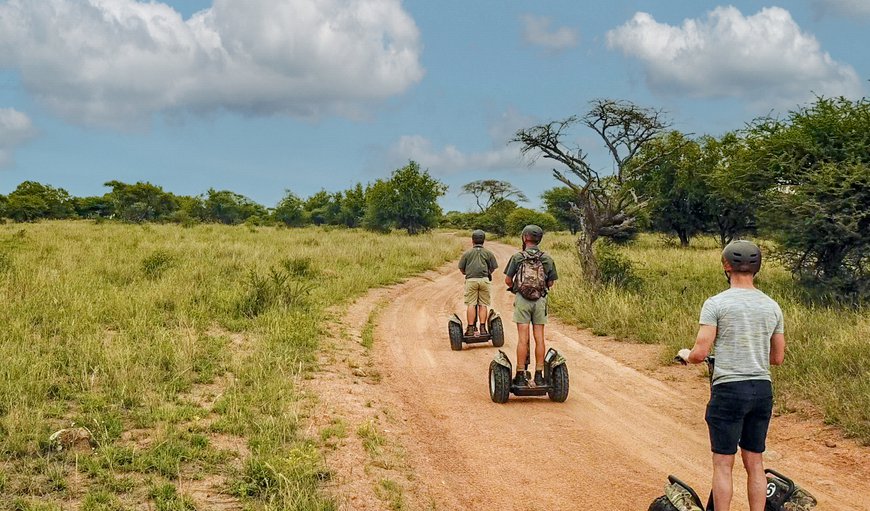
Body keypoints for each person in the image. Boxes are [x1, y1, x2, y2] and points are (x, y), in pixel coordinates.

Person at [676, 240, 786, 511]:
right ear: (757, 267)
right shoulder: (772, 306)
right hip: (762, 389)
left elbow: (701, 352)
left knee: (724, 463)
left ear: (726, 266)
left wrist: (686, 354)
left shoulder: (716, 304)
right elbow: (777, 358)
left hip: (729, 389)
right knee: (755, 462)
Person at [504, 225, 558, 387]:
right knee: (539, 337)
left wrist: (519, 289)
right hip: (540, 300)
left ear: (524, 237)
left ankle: (520, 374)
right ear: (539, 239)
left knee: (523, 338)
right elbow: (551, 282)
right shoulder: (546, 258)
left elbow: (507, 280)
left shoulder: (517, 257)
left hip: (522, 300)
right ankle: (539, 375)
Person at [458, 229, 498, 337]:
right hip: (484, 280)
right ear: (484, 241)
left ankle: (470, 328)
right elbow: (493, 267)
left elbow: (461, 268)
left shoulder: (467, 253)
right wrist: (488, 272)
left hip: (471, 280)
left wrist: (468, 273)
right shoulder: (488, 253)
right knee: (483, 304)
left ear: (472, 241)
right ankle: (483, 328)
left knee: (471, 304)